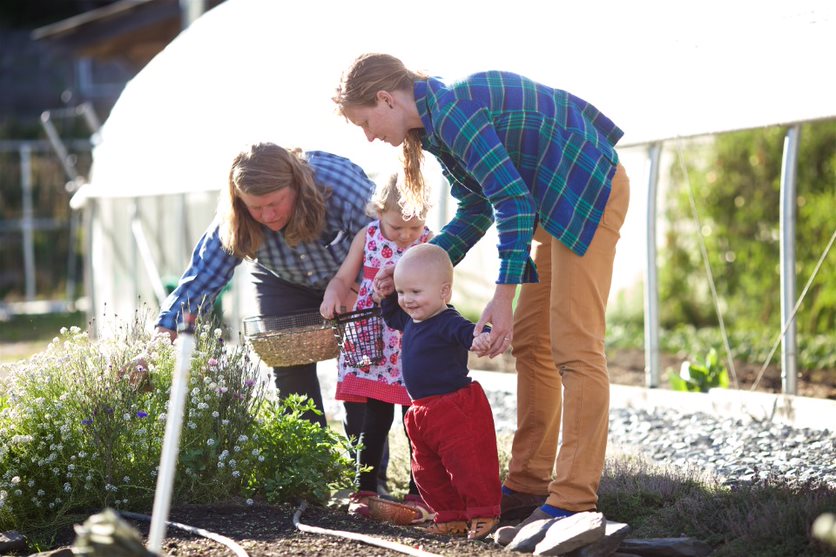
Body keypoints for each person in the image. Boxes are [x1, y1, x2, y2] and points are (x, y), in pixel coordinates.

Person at [334, 53, 631, 529]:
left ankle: (574, 496)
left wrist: (503, 296)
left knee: (575, 345)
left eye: (366, 122)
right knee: (534, 344)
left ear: (385, 99)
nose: (369, 136)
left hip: (586, 189)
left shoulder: (454, 111)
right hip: (550, 206)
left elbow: (511, 200)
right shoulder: (434, 128)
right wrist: (415, 267)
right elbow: (476, 209)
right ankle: (529, 482)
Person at [156, 141, 376, 429]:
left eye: (275, 203)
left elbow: (386, 241)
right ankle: (310, 465)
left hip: (352, 277)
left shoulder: (342, 187)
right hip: (283, 281)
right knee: (290, 373)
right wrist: (162, 337)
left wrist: (356, 287)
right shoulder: (233, 219)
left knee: (361, 370)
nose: (268, 216)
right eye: (256, 207)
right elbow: (203, 276)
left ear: (296, 186)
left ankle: (367, 470)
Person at [320, 173, 433, 519]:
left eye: (414, 229)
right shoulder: (366, 237)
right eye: (398, 228)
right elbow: (344, 277)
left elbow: (441, 287)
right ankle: (365, 488)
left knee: (417, 420)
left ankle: (421, 492)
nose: (406, 236)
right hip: (375, 346)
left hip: (414, 343)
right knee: (374, 419)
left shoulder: (429, 243)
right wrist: (334, 291)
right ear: (379, 212)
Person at [376, 243, 500, 540]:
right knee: (426, 470)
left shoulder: (447, 321)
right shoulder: (410, 316)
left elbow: (468, 332)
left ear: (444, 292)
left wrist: (482, 339)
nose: (407, 300)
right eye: (402, 292)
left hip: (453, 408)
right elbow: (392, 315)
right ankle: (450, 516)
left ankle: (484, 511)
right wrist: (386, 295)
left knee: (467, 463)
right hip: (420, 411)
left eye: (415, 292)